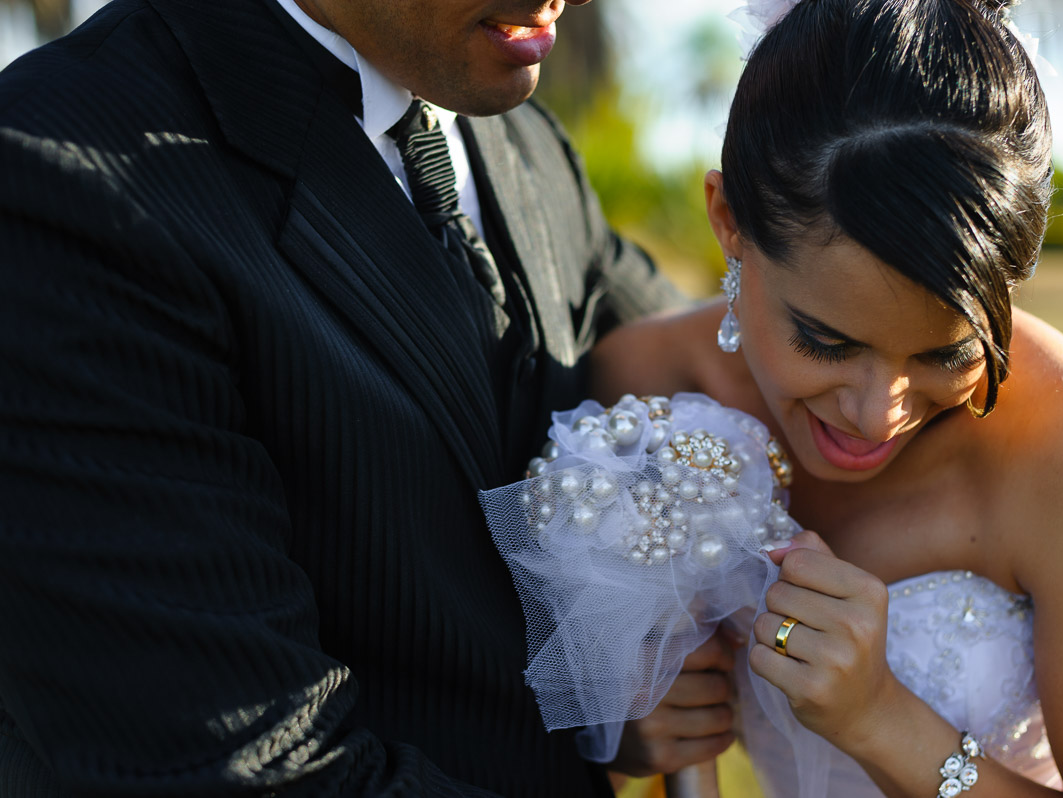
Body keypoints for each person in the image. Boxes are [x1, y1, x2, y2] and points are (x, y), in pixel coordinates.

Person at [0, 0, 717, 793]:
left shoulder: (521, 137)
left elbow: (699, 365)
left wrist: (606, 680)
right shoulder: (59, 178)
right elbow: (239, 765)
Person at [591, 0, 1063, 794]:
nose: (878, 414)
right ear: (728, 220)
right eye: (827, 342)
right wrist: (625, 735)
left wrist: (882, 720)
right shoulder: (642, 394)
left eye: (949, 352)